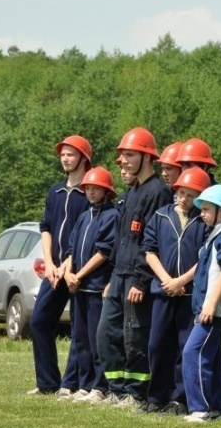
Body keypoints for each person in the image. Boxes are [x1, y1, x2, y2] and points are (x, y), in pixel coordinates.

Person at [97, 127, 173, 407]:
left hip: (137, 278)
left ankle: (135, 392)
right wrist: (111, 277)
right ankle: (116, 389)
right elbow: (122, 239)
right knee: (107, 333)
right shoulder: (131, 192)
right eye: (123, 156)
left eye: (130, 155)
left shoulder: (158, 192)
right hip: (119, 275)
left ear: (147, 157)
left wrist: (141, 281)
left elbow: (152, 241)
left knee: (135, 337)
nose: (124, 161)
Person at [139, 167, 211, 415]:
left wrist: (181, 281)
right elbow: (149, 251)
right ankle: (156, 396)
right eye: (181, 193)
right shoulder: (161, 216)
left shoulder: (203, 220)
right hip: (163, 292)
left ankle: (180, 398)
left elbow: (205, 256)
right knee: (157, 344)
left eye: (191, 195)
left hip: (189, 295)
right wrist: (167, 280)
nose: (184, 199)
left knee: (184, 347)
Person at [28, 135, 92, 398]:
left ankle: (70, 384)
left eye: (70, 154)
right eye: (62, 154)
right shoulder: (54, 192)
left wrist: (67, 265)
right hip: (54, 271)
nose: (65, 158)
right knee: (38, 321)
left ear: (83, 158)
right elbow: (45, 228)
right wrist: (50, 264)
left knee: (79, 329)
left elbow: (85, 234)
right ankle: (47, 383)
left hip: (78, 271)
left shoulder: (89, 193)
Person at [61, 166, 120, 404]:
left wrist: (79, 275)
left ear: (107, 191)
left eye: (96, 188)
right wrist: (69, 274)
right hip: (78, 287)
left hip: (95, 287)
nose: (91, 192)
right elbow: (71, 249)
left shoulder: (111, 216)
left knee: (97, 339)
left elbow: (104, 252)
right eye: (88, 188)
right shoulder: (84, 216)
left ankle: (100, 386)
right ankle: (84, 385)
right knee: (80, 338)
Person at [183, 185, 221, 422]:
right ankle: (217, 406)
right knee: (212, 357)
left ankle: (200, 408)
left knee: (192, 353)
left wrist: (212, 304)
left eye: (206, 209)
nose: (201, 214)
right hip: (205, 308)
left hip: (212, 309)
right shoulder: (214, 235)